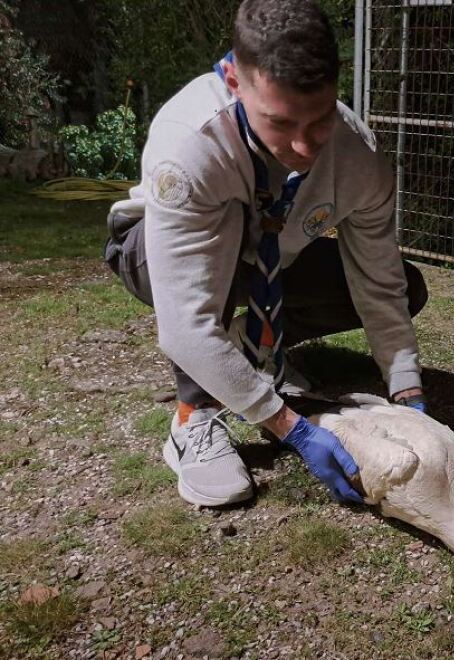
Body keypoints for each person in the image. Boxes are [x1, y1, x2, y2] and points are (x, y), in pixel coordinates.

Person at [104, 0, 428, 509]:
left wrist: (409, 393)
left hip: (267, 262)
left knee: (410, 285)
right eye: (280, 123)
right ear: (234, 81)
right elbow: (184, 323)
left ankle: (245, 346)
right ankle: (194, 415)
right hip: (152, 254)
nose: (303, 147)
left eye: (319, 121)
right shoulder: (192, 145)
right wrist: (289, 426)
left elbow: (379, 279)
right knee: (227, 234)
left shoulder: (359, 155)